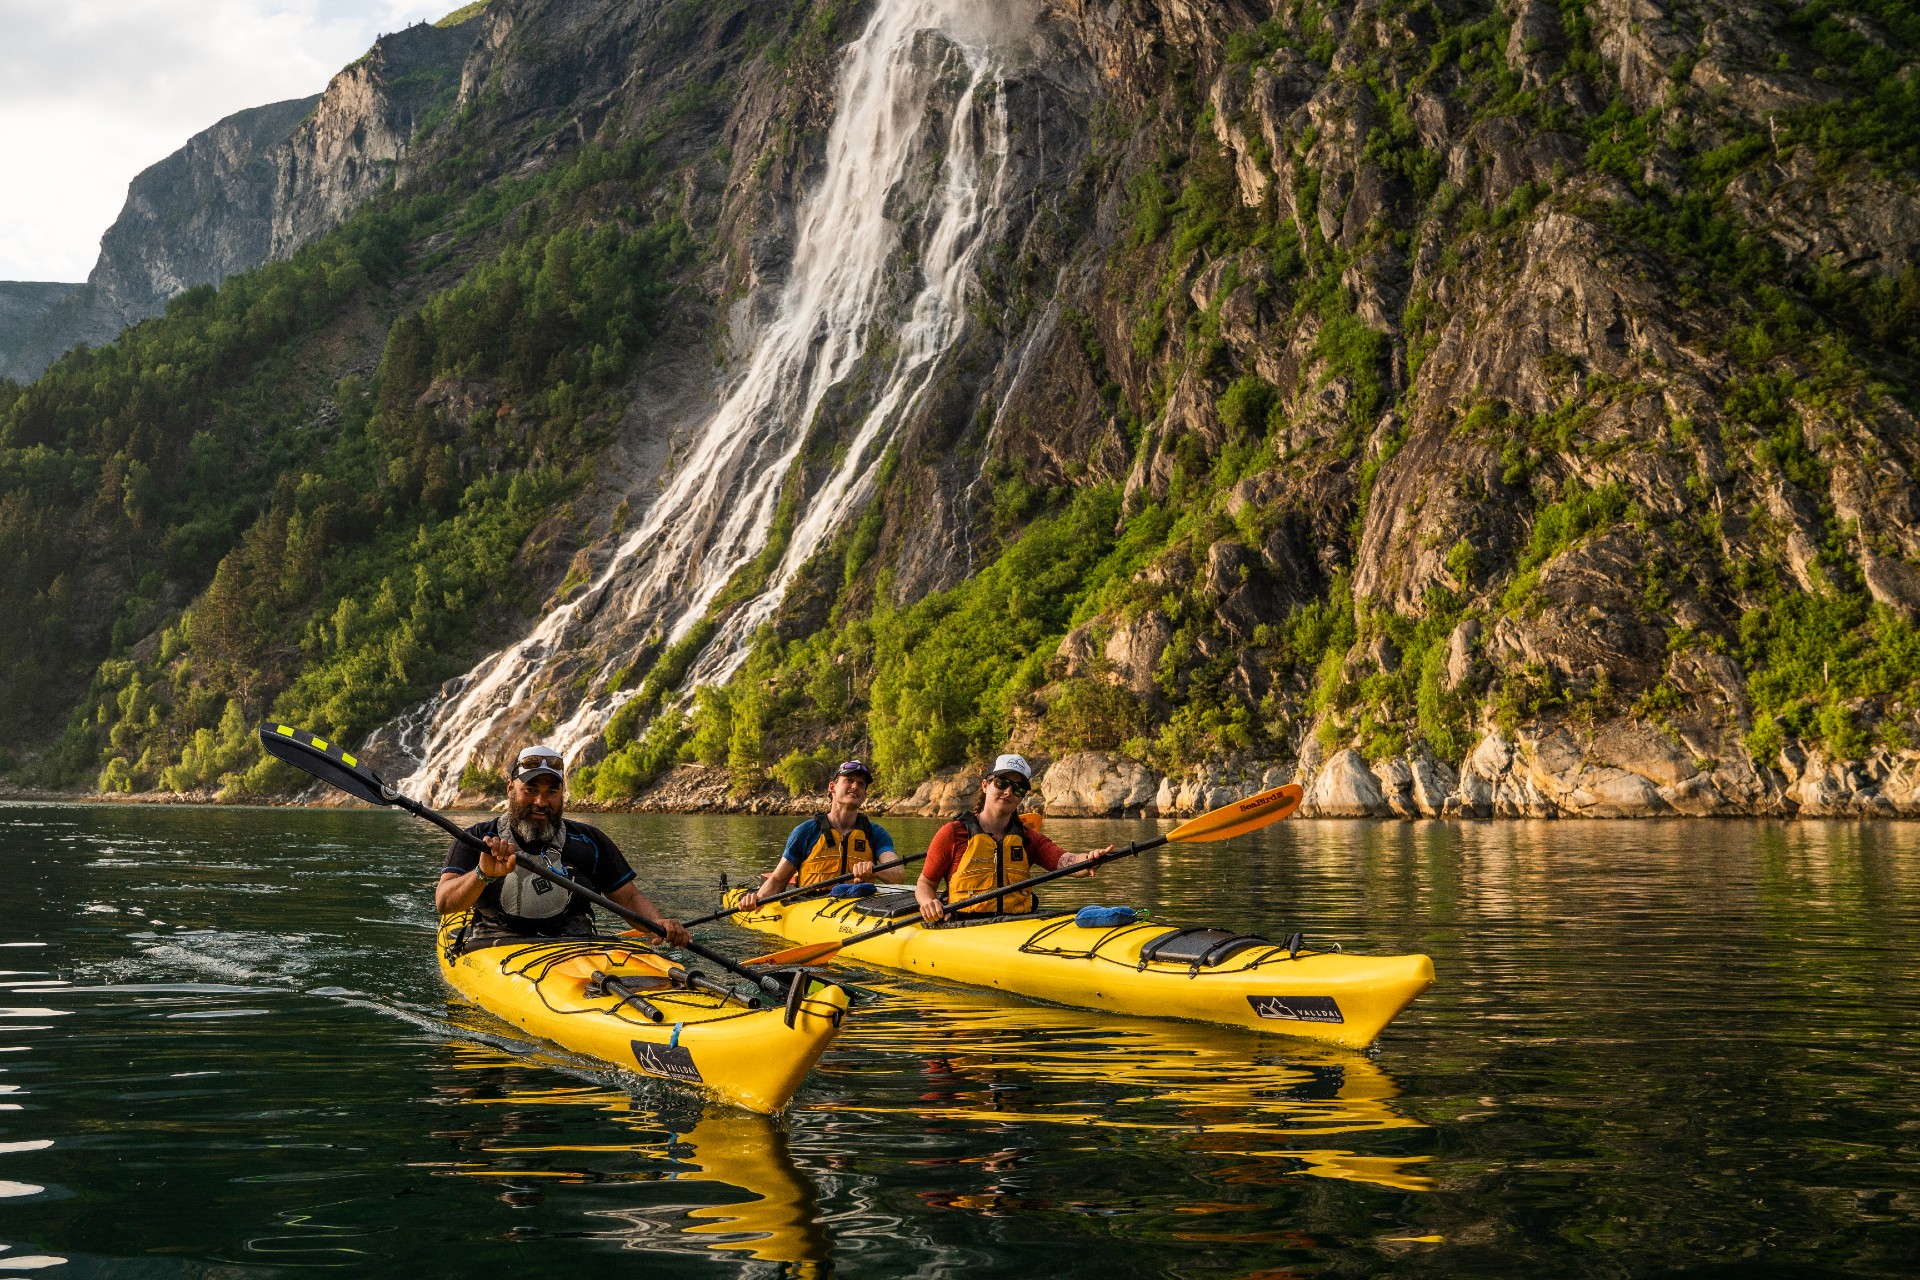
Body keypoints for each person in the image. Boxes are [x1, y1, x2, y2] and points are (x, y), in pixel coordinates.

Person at [436, 744, 690, 946]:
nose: (541, 801)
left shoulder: (590, 840)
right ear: (510, 788)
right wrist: (482, 875)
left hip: (576, 946)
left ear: (562, 794)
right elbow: (445, 903)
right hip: (496, 944)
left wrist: (659, 922)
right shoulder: (478, 838)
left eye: (552, 792)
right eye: (531, 790)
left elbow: (629, 897)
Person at [913, 753, 1111, 924]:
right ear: (985, 785)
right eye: (1002, 783)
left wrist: (1088, 860)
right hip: (963, 925)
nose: (1008, 792)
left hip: (1015, 925)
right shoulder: (953, 833)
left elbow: (1065, 861)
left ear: (1021, 797)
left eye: (1017, 789)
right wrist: (929, 903)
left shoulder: (1029, 839)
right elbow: (925, 884)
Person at [739, 759, 904, 908]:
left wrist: (875, 870)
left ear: (864, 795)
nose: (855, 786)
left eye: (861, 784)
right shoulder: (805, 832)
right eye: (849, 780)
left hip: (859, 906)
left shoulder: (875, 833)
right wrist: (758, 898)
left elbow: (898, 876)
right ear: (832, 787)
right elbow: (778, 880)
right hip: (811, 906)